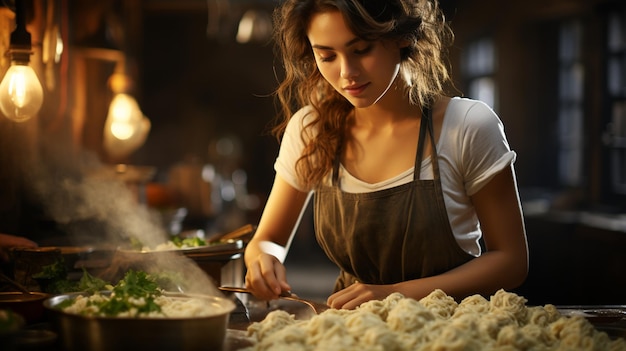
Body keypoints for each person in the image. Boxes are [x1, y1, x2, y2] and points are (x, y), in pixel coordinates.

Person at [244, 0, 528, 310]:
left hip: (453, 329)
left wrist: (396, 293)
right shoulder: (311, 130)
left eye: (362, 49)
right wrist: (263, 259)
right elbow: (268, 238)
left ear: (402, 36)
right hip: (354, 330)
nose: (346, 73)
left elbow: (511, 261)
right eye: (326, 56)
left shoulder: (467, 126)